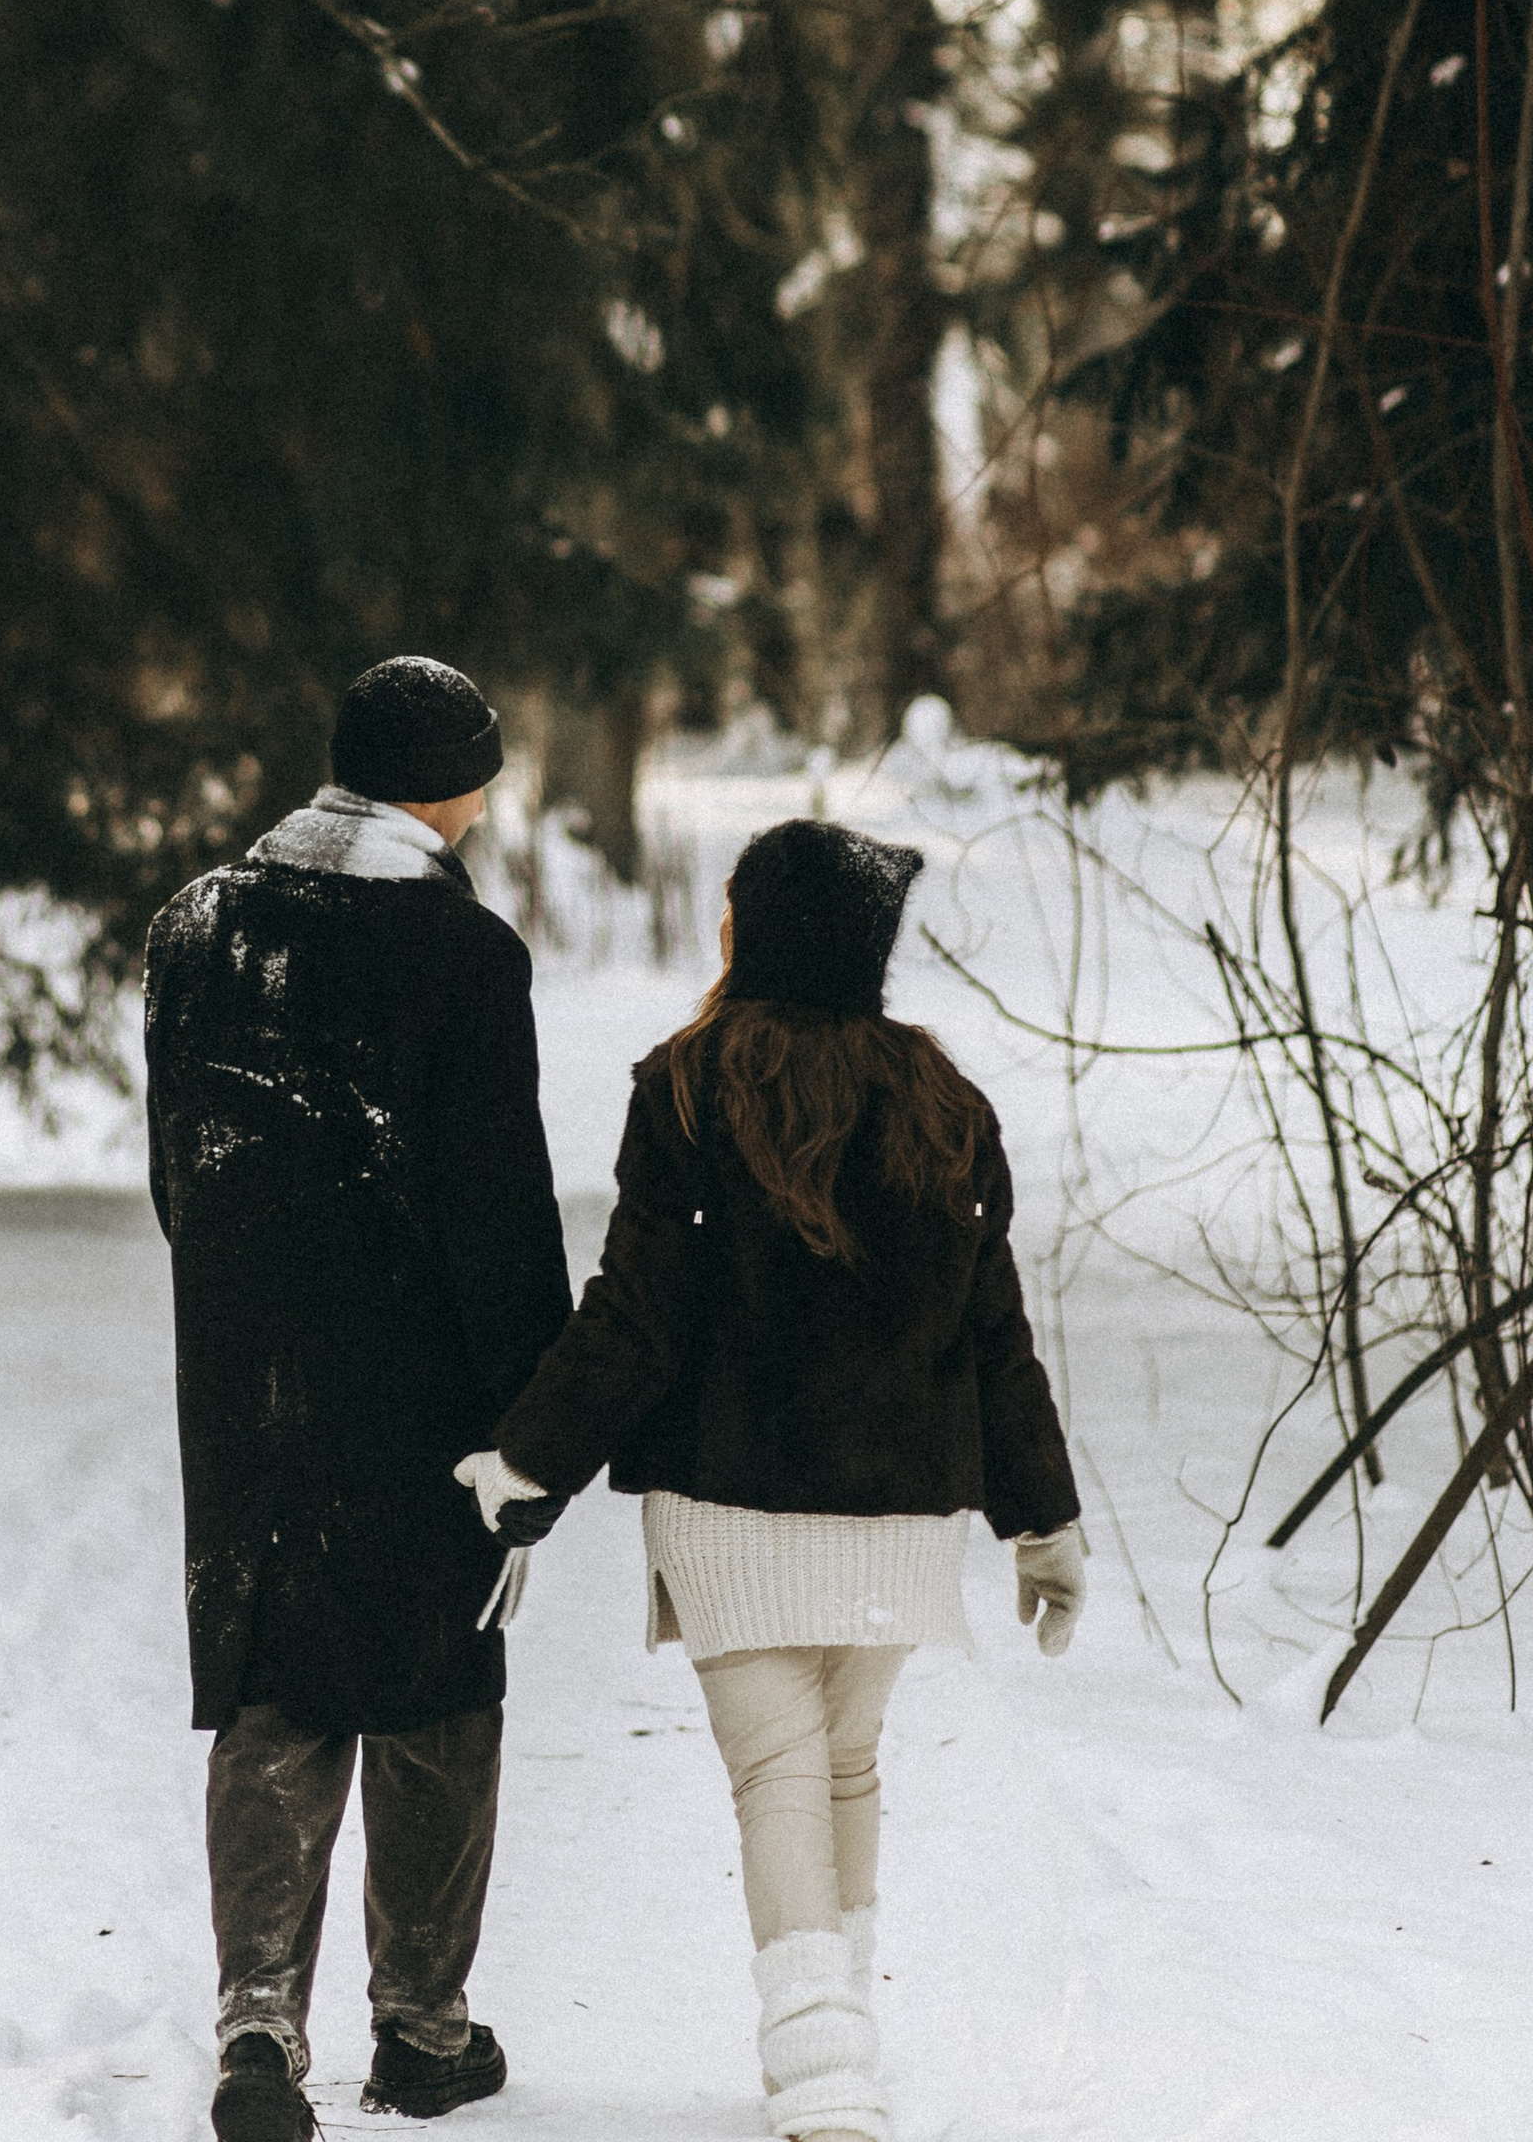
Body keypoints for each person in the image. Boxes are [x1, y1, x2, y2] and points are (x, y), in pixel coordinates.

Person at [457, 819, 1087, 2142]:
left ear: (749, 930)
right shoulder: (946, 1104)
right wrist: (1044, 1522)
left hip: (731, 1500)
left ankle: (821, 2071)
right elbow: (994, 1331)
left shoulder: (690, 1088)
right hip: (901, 1511)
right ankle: (837, 2040)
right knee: (841, 1765)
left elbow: (638, 1312)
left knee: (780, 1773)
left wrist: (529, 1458)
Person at [145, 657, 572, 2142]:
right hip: (420, 1380)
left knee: (275, 1681)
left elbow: (179, 1177)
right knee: (438, 1685)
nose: (484, 808)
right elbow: (499, 1211)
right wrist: (537, 1418)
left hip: (247, 1374)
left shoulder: (196, 928)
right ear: (447, 791)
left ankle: (258, 2022)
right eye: (480, 781)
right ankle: (423, 2029)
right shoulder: (463, 956)